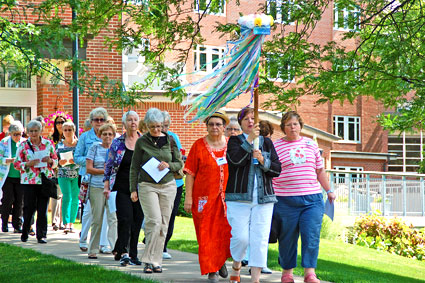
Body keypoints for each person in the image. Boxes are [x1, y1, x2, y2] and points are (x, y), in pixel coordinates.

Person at [272, 111, 336, 283]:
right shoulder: (275, 146)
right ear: (283, 128)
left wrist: (329, 190)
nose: (292, 127)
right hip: (285, 200)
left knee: (311, 235)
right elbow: (270, 172)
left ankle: (310, 273)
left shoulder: (311, 144)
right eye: (288, 125)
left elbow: (319, 170)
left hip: (312, 199)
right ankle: (287, 273)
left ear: (300, 126)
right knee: (287, 237)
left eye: (295, 124)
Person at [226, 107, 281, 283]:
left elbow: (277, 169)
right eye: (246, 119)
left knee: (260, 238)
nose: (250, 121)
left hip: (264, 198)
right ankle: (236, 264)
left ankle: (255, 279)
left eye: (253, 118)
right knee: (241, 237)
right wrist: (249, 141)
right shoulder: (234, 141)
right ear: (241, 123)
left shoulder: (267, 143)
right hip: (239, 197)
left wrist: (264, 161)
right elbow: (234, 161)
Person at [129, 107, 183, 274]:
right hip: (147, 185)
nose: (156, 130)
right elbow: (134, 166)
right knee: (154, 221)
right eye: (152, 127)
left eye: (159, 126)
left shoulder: (170, 140)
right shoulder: (141, 142)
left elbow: (179, 164)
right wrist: (133, 189)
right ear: (146, 126)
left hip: (168, 186)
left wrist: (169, 165)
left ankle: (157, 261)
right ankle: (147, 260)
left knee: (164, 224)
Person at [183, 111, 232, 282]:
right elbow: (189, 173)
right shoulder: (198, 145)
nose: (214, 127)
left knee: (224, 233)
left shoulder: (231, 145)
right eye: (211, 124)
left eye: (218, 124)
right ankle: (212, 270)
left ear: (224, 126)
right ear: (207, 126)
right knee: (205, 234)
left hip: (227, 199)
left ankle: (220, 262)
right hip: (203, 198)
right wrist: (188, 198)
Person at [104, 111, 143, 266]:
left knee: (137, 220)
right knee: (125, 218)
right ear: (124, 123)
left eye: (135, 120)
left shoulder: (144, 141)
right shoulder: (117, 142)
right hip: (122, 186)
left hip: (141, 188)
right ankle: (124, 253)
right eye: (129, 120)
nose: (132, 122)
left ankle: (133, 253)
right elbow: (109, 165)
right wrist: (106, 185)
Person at [15, 120, 58, 244]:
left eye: (36, 131)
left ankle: (41, 235)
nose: (33, 133)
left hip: (44, 180)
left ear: (40, 131)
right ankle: (25, 232)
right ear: (27, 132)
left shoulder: (48, 143)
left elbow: (55, 161)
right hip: (29, 180)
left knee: (43, 209)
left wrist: (50, 161)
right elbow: (16, 163)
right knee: (28, 208)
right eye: (31, 131)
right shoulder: (23, 145)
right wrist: (27, 164)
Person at [74, 107, 111, 253]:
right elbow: (77, 157)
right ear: (91, 121)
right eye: (96, 120)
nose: (99, 122)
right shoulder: (85, 137)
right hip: (89, 178)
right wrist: (92, 161)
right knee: (89, 212)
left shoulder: (110, 136)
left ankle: (103, 243)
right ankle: (83, 239)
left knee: (106, 213)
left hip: (107, 180)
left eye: (102, 120)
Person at [87, 123, 118, 259]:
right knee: (97, 219)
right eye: (104, 134)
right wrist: (105, 170)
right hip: (97, 187)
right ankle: (93, 248)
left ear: (114, 136)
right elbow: (89, 168)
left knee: (113, 219)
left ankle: (116, 248)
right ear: (100, 135)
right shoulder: (94, 147)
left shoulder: (117, 148)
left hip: (113, 188)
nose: (107, 136)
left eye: (110, 134)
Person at [161, 111, 185, 260]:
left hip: (175, 182)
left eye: (165, 125)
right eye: (160, 125)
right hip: (156, 183)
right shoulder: (150, 139)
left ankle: (163, 245)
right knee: (159, 216)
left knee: (170, 216)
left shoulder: (173, 138)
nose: (163, 129)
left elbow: (180, 158)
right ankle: (155, 242)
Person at [0, 121, 25, 233]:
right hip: (8, 177)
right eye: (14, 134)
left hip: (21, 177)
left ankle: (17, 225)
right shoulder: (4, 142)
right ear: (10, 133)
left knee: (20, 201)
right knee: (7, 200)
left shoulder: (24, 143)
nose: (17, 136)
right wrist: (9, 160)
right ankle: (4, 223)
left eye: (19, 134)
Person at [56, 121, 79, 233]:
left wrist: (76, 160)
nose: (68, 132)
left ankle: (72, 223)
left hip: (77, 174)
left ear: (74, 131)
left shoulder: (79, 144)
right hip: (63, 173)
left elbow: (84, 157)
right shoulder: (60, 145)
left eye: (70, 129)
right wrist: (59, 161)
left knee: (75, 198)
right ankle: (65, 223)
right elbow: (54, 160)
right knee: (67, 196)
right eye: (65, 130)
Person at [50, 115, 67, 231]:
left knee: (64, 194)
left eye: (62, 122)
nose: (60, 125)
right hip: (55, 169)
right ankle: (55, 221)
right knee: (56, 195)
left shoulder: (70, 137)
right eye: (57, 123)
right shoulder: (52, 138)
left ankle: (63, 222)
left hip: (67, 169)